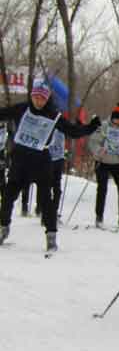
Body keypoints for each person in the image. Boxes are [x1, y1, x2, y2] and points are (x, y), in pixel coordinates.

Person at [0, 80, 100, 251]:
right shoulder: (22, 109)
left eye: (42, 98)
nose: (39, 101)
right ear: (31, 97)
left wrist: (90, 127)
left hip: (41, 161)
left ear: (47, 99)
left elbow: (73, 131)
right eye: (36, 97)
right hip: (20, 160)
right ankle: (4, 228)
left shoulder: (54, 116)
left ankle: (51, 235)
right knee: (8, 197)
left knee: (47, 200)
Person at [87, 102, 119, 229]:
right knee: (102, 188)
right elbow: (93, 141)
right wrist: (98, 150)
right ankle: (99, 217)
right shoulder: (104, 126)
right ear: (112, 117)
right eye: (117, 118)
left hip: (118, 162)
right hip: (103, 161)